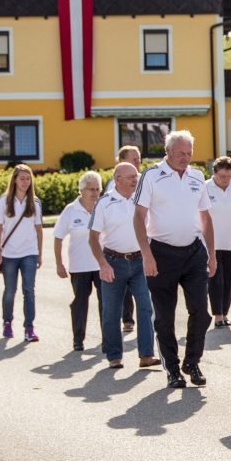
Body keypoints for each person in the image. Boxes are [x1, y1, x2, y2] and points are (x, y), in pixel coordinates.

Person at [133, 130, 216, 388]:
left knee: (201, 311)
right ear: (167, 151)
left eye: (189, 153)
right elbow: (138, 217)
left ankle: (192, 362)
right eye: (181, 153)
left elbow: (205, 217)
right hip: (161, 254)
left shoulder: (197, 176)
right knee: (165, 318)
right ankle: (172, 369)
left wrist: (212, 254)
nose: (186, 158)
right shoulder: (151, 175)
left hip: (194, 252)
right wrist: (146, 255)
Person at [89, 163, 158, 369]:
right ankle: (114, 356)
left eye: (136, 176)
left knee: (145, 306)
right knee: (111, 311)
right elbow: (93, 238)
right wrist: (103, 264)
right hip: (113, 262)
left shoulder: (143, 200)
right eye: (130, 177)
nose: (136, 180)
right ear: (117, 180)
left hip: (140, 261)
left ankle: (146, 354)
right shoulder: (104, 203)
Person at [0, 165, 44, 342]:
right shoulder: (4, 201)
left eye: (28, 179)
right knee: (10, 291)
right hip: (9, 254)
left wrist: (39, 254)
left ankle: (29, 328)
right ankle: (7, 322)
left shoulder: (35, 202)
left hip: (29, 252)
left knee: (29, 290)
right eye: (22, 178)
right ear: (14, 180)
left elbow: (39, 230)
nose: (25, 182)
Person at [53, 171, 103, 351]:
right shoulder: (70, 210)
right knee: (80, 302)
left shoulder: (103, 207)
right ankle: (78, 339)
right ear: (81, 190)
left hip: (102, 265)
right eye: (91, 189)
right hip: (79, 266)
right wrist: (59, 263)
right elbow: (58, 237)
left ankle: (108, 339)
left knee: (106, 302)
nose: (95, 193)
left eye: (97, 189)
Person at [206, 156, 231, 329]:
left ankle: (225, 312)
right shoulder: (205, 188)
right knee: (216, 279)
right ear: (214, 173)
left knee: (228, 279)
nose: (226, 179)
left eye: (229, 175)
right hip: (211, 243)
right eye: (222, 176)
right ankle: (217, 315)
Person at [106, 145, 142, 334]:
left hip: (141, 247)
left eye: (139, 159)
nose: (138, 162)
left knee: (144, 295)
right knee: (123, 289)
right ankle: (127, 318)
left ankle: (147, 330)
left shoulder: (144, 183)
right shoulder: (111, 188)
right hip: (119, 249)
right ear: (122, 162)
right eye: (134, 159)